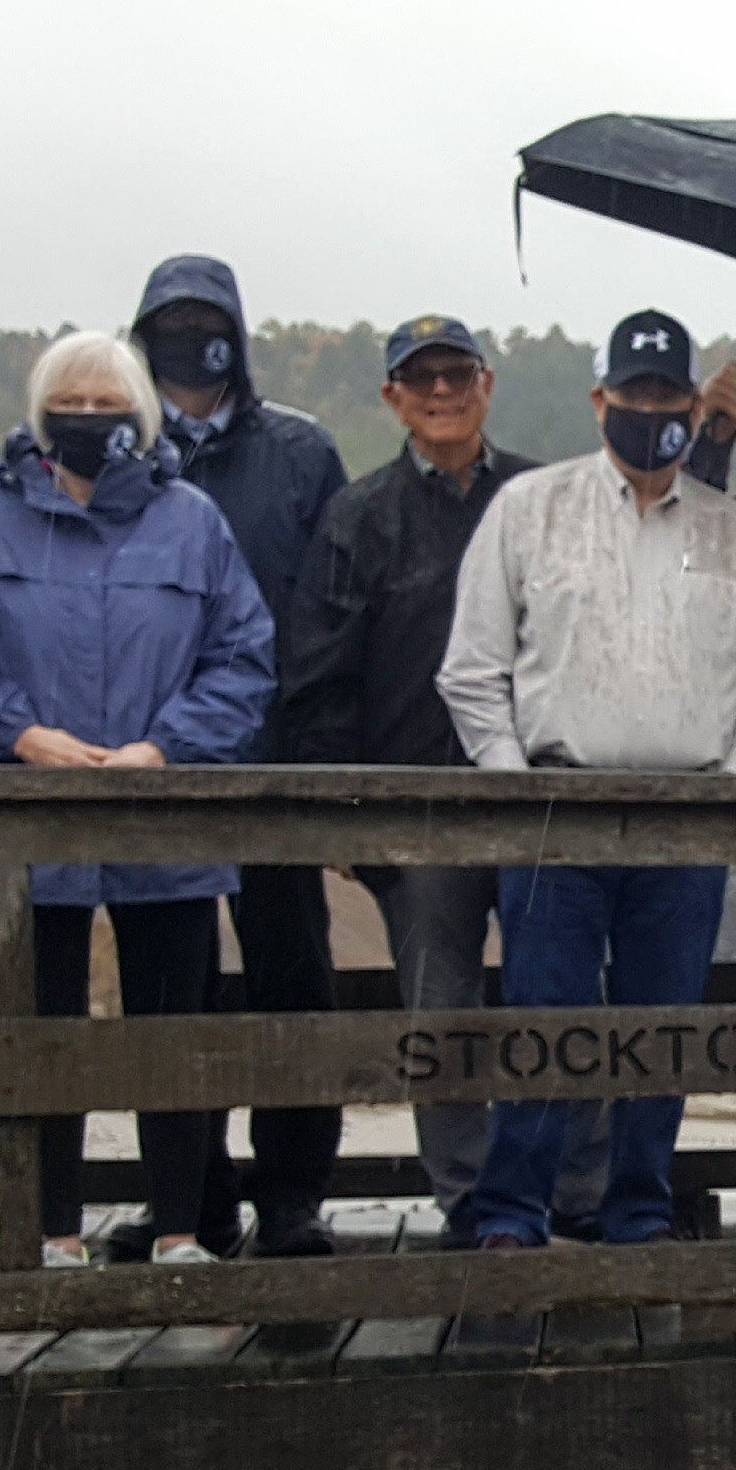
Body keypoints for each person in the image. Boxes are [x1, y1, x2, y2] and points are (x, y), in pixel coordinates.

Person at [0, 333, 275, 1263]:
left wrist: (168, 745)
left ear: (143, 416)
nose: (87, 421)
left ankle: (184, 1229)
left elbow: (242, 656)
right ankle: (51, 1229)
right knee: (41, 1033)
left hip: (165, 815)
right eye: (67, 405)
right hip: (31, 817)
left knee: (173, 1033)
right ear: (38, 416)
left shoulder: (191, 520)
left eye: (108, 406)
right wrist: (20, 735)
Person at [435, 311, 736, 1248]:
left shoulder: (734, 533)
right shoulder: (529, 509)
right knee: (543, 1024)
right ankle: (515, 1214)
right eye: (633, 395)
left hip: (688, 821)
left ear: (692, 404)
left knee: (662, 1032)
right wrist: (511, 783)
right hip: (556, 808)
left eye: (669, 396)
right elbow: (473, 668)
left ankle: (638, 1210)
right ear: (600, 400)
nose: (650, 411)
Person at [278, 316, 572, 1234]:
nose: (440, 392)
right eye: (421, 378)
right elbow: (318, 681)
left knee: (558, 1004)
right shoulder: (359, 517)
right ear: (391, 397)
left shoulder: (547, 497)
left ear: (488, 383)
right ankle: (471, 1204)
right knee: (439, 1017)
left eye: (457, 374)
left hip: (540, 803)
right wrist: (354, 825)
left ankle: (568, 1197)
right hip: (422, 811)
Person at [129, 258, 353, 1257]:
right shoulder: (111, 448)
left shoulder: (302, 453)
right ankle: (192, 1198)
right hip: (155, 771)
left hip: (274, 765)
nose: (190, 337)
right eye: (170, 322)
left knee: (291, 981)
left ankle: (294, 1192)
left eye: (206, 319)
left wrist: (318, 756)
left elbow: (335, 610)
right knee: (172, 995)